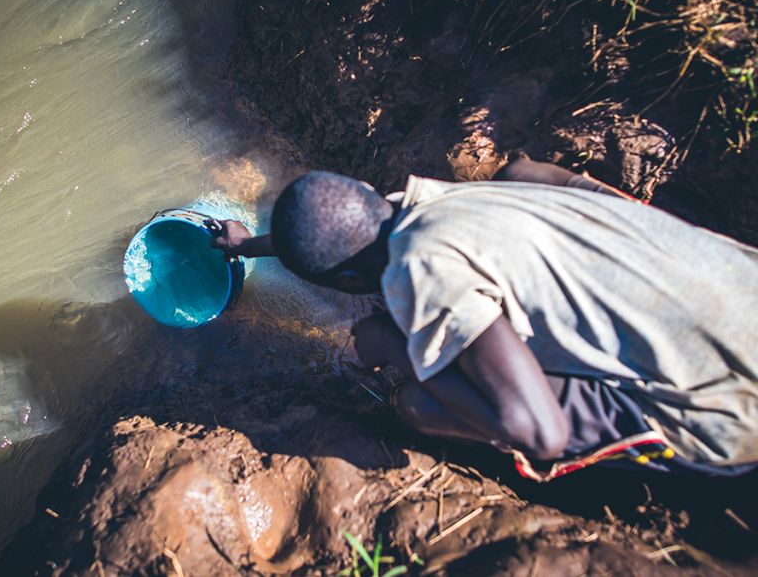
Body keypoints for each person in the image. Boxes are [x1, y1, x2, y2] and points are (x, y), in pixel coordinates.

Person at [210, 157, 758, 481]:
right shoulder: (444, 199)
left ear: (351, 282)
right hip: (741, 285)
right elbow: (333, 233)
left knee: (420, 403)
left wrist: (390, 346)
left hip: (729, 408)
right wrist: (247, 245)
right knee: (527, 181)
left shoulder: (423, 271)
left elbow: (541, 433)